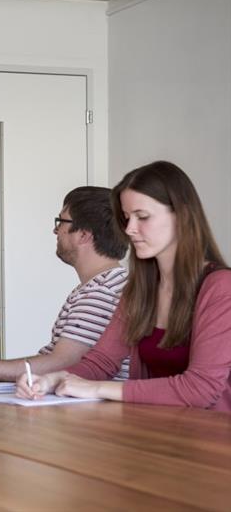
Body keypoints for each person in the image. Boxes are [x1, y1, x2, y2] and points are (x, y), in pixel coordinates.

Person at [17, 161, 231, 412]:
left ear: (181, 216)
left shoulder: (220, 287)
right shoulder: (139, 290)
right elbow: (101, 363)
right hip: (155, 434)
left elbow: (200, 389)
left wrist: (97, 388)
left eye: (143, 217)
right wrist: (55, 379)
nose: (130, 229)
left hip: (210, 443)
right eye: (127, 218)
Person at [0, 186, 129, 382]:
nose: (55, 230)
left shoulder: (101, 291)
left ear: (83, 235)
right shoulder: (104, 283)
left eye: (61, 222)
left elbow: (61, 364)